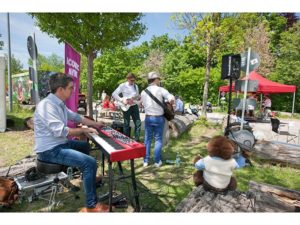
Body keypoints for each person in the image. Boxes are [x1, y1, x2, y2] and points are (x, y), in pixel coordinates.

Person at [33, 72, 108, 212]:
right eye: (70, 88)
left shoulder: (58, 103)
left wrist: (96, 124)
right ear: (60, 89)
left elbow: (76, 117)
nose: (73, 90)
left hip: (59, 144)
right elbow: (62, 131)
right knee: (89, 162)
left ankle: (88, 178)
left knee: (84, 146)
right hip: (49, 151)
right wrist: (84, 131)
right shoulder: (46, 106)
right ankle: (92, 206)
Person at [140, 71, 174, 167]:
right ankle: (157, 161)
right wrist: (172, 100)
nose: (159, 80)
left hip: (148, 118)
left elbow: (140, 103)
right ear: (155, 80)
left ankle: (145, 161)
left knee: (147, 139)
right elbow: (170, 97)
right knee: (158, 139)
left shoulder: (143, 91)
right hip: (159, 118)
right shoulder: (160, 90)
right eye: (158, 79)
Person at [112, 72, 141, 141]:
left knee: (138, 123)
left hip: (134, 106)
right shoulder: (122, 85)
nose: (133, 82)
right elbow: (114, 94)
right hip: (126, 106)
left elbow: (137, 96)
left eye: (134, 80)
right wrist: (122, 100)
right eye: (131, 80)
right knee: (126, 123)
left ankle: (136, 139)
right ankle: (126, 140)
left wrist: (138, 97)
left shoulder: (136, 86)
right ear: (127, 79)